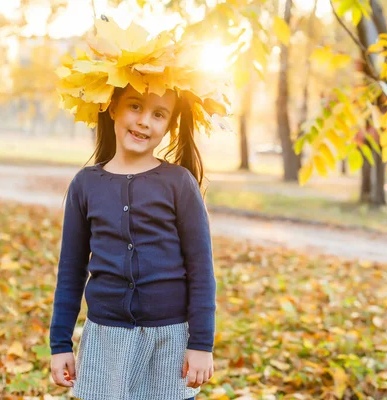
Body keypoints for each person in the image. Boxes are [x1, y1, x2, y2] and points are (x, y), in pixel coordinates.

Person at [48, 15, 231, 400]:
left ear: (168, 125)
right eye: (135, 106)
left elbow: (201, 270)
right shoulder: (85, 185)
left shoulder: (178, 183)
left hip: (169, 339)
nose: (144, 121)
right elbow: (70, 271)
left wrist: (201, 343)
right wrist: (60, 344)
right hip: (105, 337)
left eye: (158, 113)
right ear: (112, 107)